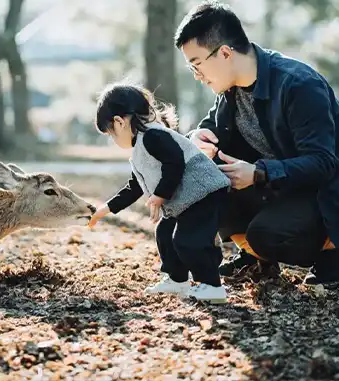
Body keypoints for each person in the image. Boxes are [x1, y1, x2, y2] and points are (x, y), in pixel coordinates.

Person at [174, 0, 339, 284]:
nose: (197, 76)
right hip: (281, 186)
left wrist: (259, 173)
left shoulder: (298, 84)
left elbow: (324, 164)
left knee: (266, 235)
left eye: (197, 65)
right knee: (205, 195)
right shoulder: (231, 88)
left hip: (332, 194)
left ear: (224, 53)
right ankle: (256, 258)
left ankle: (333, 247)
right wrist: (196, 138)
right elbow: (211, 127)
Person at [87, 83, 231, 303]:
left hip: (205, 193)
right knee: (165, 234)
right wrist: (105, 209)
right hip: (188, 200)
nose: (112, 140)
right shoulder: (140, 148)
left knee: (188, 240)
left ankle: (211, 285)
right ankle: (178, 280)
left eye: (110, 133)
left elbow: (175, 163)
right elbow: (134, 186)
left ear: (120, 122)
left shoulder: (154, 136)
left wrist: (160, 195)